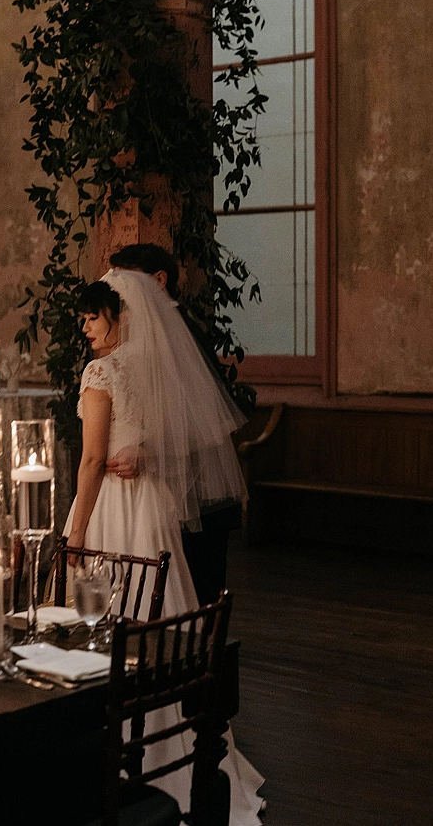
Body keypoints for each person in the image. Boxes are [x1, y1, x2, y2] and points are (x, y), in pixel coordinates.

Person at [62, 269, 265, 825]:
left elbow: (91, 460)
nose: (85, 329)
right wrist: (145, 454)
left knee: (112, 621)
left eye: (92, 317)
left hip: (112, 508)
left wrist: (77, 530)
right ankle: (168, 742)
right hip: (150, 506)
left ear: (119, 316)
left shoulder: (101, 372)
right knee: (159, 616)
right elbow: (165, 440)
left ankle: (114, 749)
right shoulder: (153, 370)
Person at [107, 242, 246, 606]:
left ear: (159, 280)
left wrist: (148, 450)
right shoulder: (143, 333)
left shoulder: (179, 334)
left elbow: (201, 418)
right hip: (167, 489)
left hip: (198, 487)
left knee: (199, 594)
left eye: (127, 282)